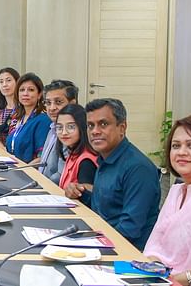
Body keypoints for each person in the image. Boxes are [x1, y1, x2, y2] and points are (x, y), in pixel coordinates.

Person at [64, 98, 160, 250]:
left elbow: (129, 230)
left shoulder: (138, 168)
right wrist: (79, 193)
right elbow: (107, 206)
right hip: (105, 240)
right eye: (90, 125)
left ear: (122, 127)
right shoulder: (105, 158)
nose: (95, 131)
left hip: (128, 254)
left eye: (103, 124)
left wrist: (88, 244)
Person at [143, 114, 191, 286]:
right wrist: (152, 270)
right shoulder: (177, 190)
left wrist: (178, 280)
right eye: (176, 146)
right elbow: (155, 243)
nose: (181, 152)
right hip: (159, 277)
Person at [37, 80, 79, 182]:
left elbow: (61, 175)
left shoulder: (71, 133)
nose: (51, 108)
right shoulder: (53, 128)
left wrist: (40, 185)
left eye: (58, 102)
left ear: (72, 104)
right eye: (48, 103)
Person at [5, 73, 51, 163]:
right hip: (12, 168)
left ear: (39, 94)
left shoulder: (43, 120)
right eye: (22, 90)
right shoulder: (16, 118)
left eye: (31, 90)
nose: (25, 94)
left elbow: (41, 158)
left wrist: (23, 169)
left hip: (28, 172)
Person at [55, 104, 98, 192]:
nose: (64, 132)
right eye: (59, 127)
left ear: (82, 127)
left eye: (70, 127)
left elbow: (86, 200)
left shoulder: (86, 162)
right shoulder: (73, 153)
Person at [0, 67, 19, 147]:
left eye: (8, 80)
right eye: (1, 82)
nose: (4, 85)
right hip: (3, 154)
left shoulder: (24, 110)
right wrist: (6, 154)